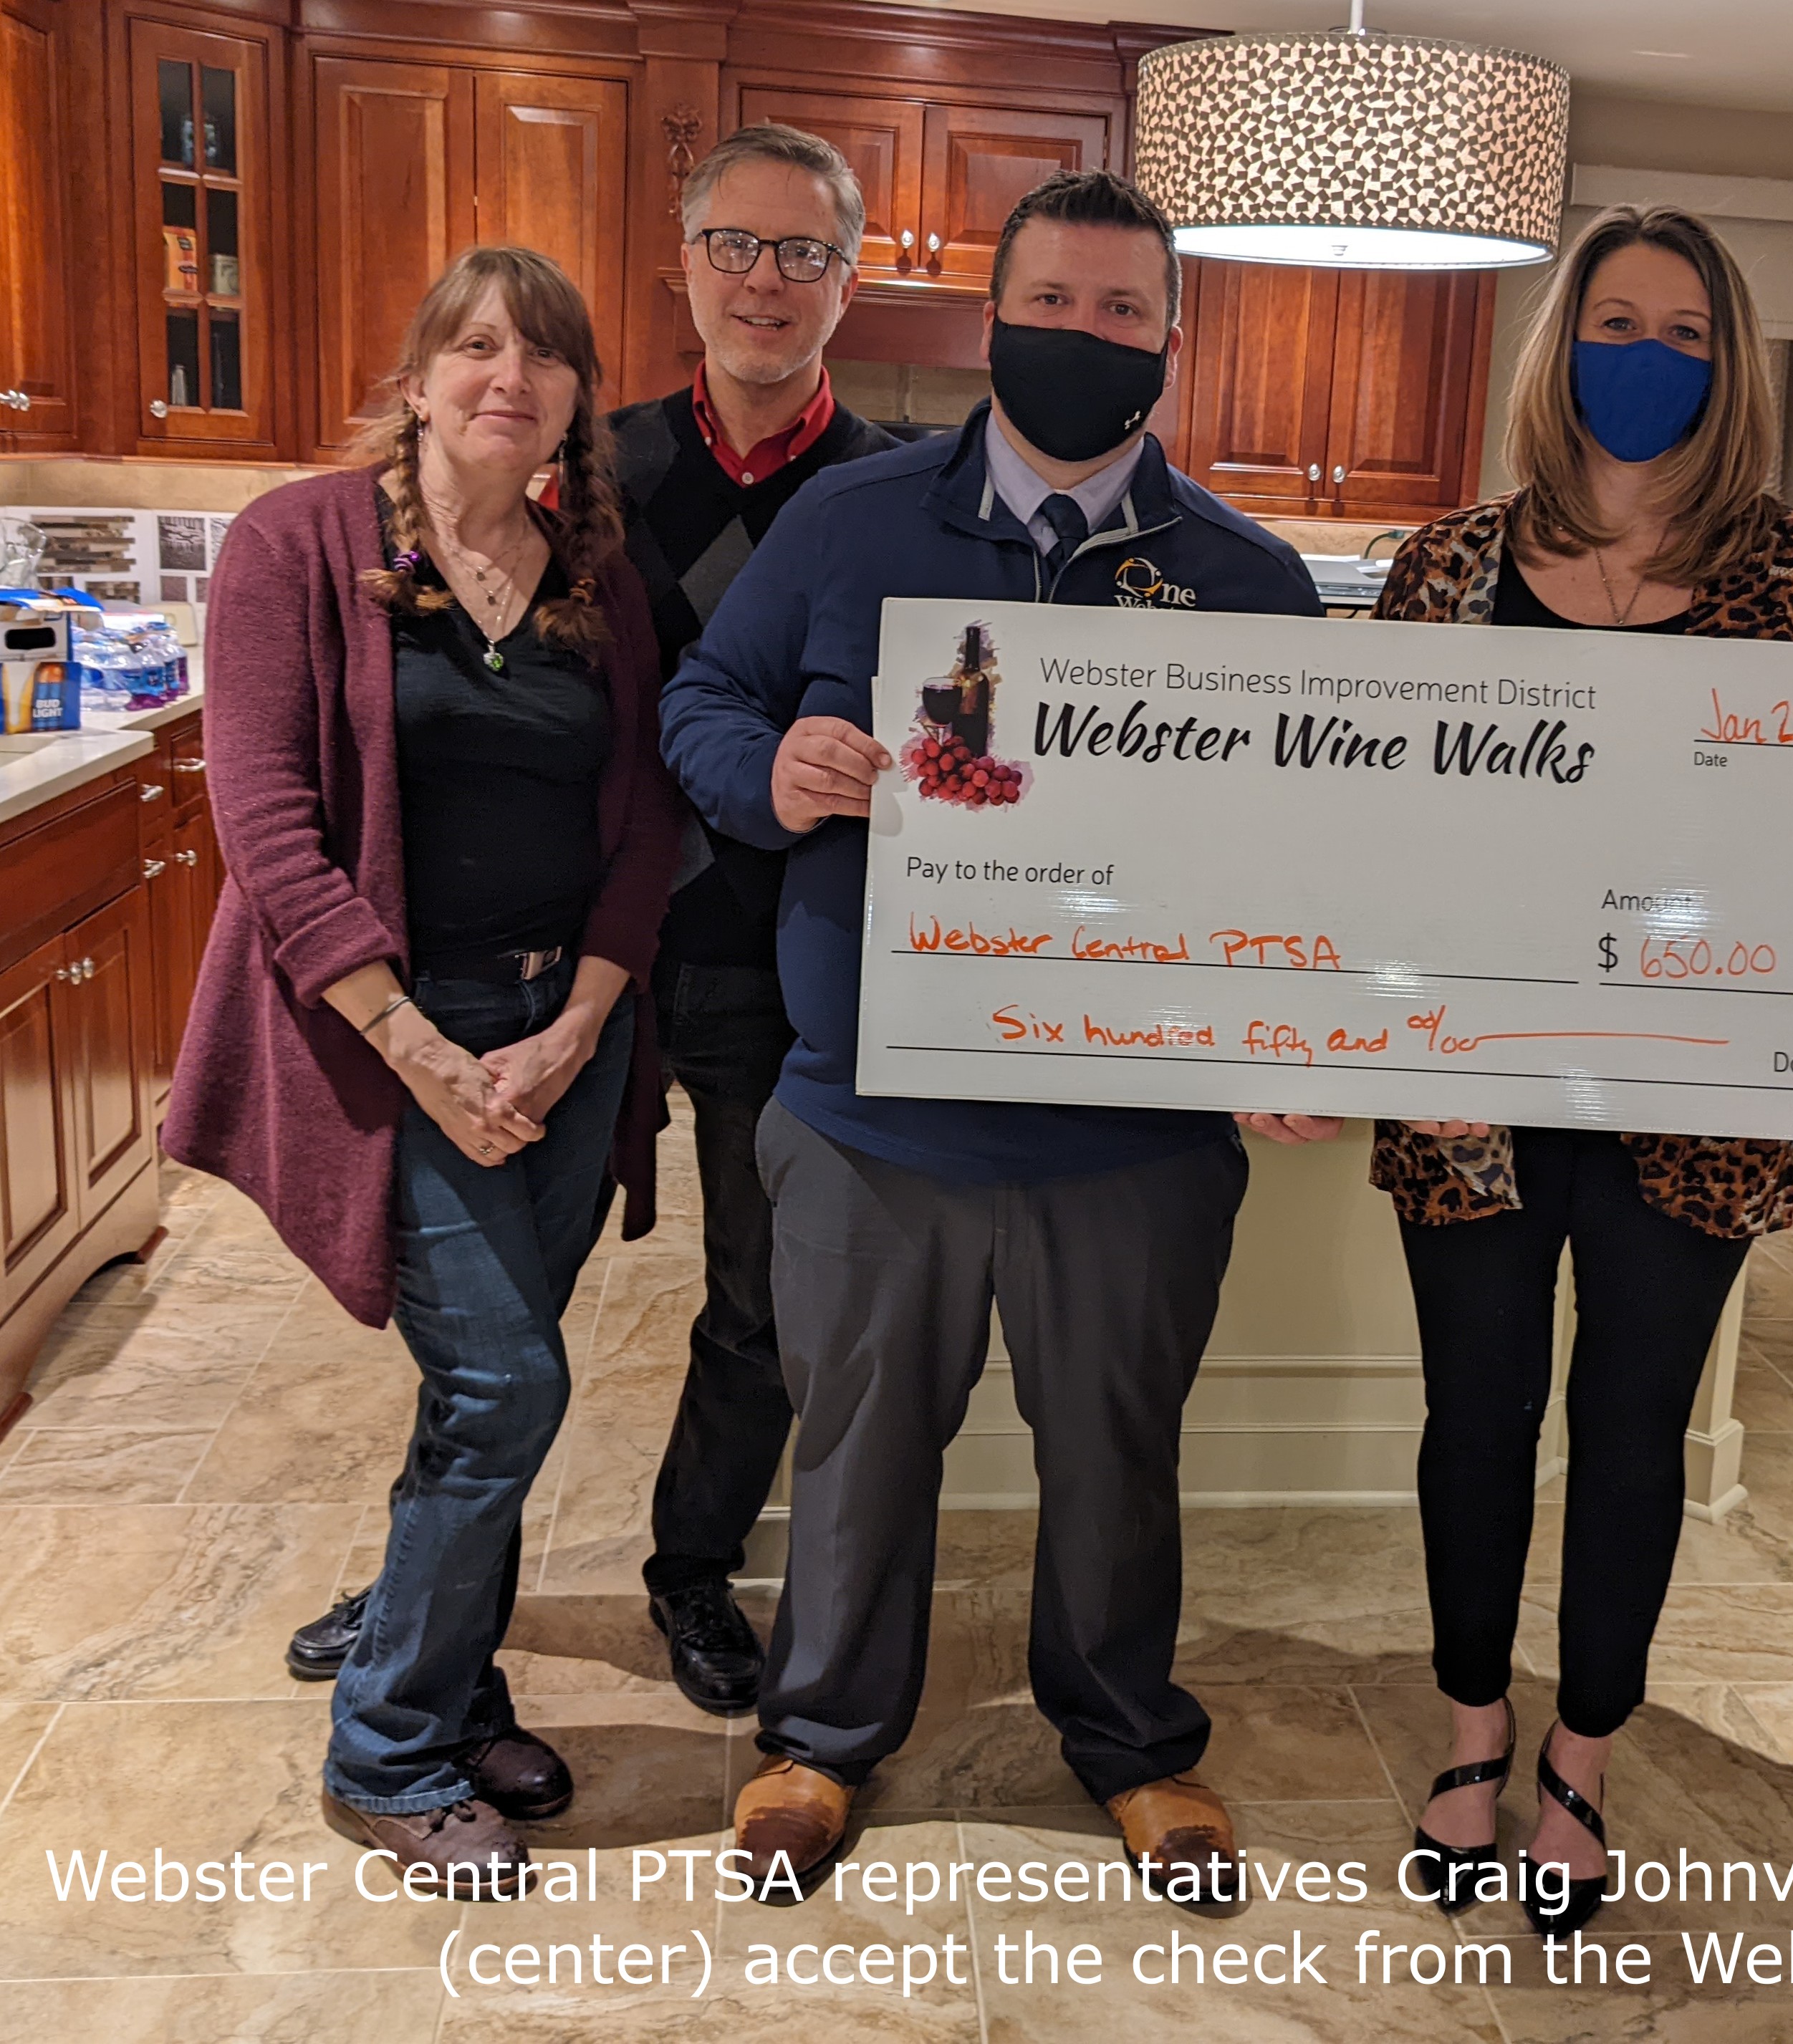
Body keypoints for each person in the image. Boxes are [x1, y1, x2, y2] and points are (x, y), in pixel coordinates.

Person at [660, 169, 1324, 1899]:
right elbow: (702, 700)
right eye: (1052, 302)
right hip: (873, 1114)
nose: (1083, 334)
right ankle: (820, 1735)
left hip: (1133, 1136)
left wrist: (1298, 1030)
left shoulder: (1250, 580)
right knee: (858, 1453)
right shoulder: (849, 521)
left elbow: (1300, 852)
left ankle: (1131, 1739)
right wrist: (773, 771)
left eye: (1121, 310)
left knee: (1118, 1459)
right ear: (992, 317)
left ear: (1169, 337)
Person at [284, 124, 898, 1716]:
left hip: (780, 959)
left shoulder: (890, 489)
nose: (766, 280)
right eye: (735, 245)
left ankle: (692, 1563)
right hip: (576, 958)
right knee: (502, 1312)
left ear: (849, 278)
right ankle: (431, 1572)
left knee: (759, 1296)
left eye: (805, 252)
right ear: (683, 265)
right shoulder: (586, 462)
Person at [1363, 204, 1793, 1937]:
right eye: (1616, 322)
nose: (1647, 357)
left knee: (1633, 1430)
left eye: (1686, 331)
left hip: (1700, 1100)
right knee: (1477, 1418)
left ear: (1729, 362)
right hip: (1469, 1095)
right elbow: (1361, 836)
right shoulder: (1446, 567)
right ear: (1562, 344)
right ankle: (1472, 1727)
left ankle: (1582, 1752)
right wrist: (1361, 1027)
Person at [166, 246, 680, 1894]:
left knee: (486, 1387)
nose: (508, 377)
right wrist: (422, 1048)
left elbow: (647, 820)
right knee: (508, 1386)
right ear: (418, 377)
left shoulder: (598, 577)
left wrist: (581, 1023)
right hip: (392, 1039)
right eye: (475, 345)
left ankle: (455, 1690)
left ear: (579, 401)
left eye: (546, 355)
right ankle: (388, 1745)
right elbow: (265, 821)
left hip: (562, 1036)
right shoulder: (300, 545)